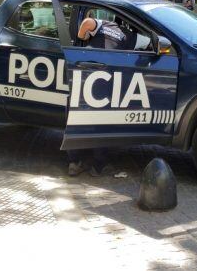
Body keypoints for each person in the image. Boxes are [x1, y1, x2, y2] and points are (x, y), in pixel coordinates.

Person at [65, 12, 151, 177]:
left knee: (76, 118)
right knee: (103, 122)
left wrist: (81, 37)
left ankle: (74, 163)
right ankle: (98, 166)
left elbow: (87, 23)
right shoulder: (131, 36)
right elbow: (152, 43)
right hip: (104, 79)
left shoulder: (104, 24)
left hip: (85, 72)